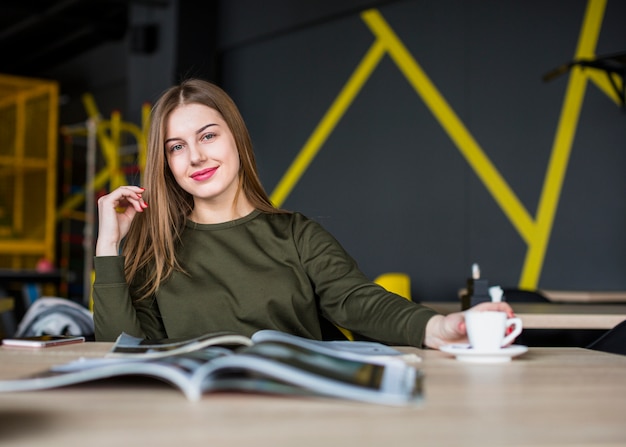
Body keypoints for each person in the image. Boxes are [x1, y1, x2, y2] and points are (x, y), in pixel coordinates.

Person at [93, 78, 514, 347]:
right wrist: (109, 244)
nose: (196, 156)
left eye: (208, 135)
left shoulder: (296, 235)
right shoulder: (157, 252)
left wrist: (438, 328)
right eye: (177, 147)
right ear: (166, 163)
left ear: (236, 139)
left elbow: (358, 301)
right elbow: (119, 351)